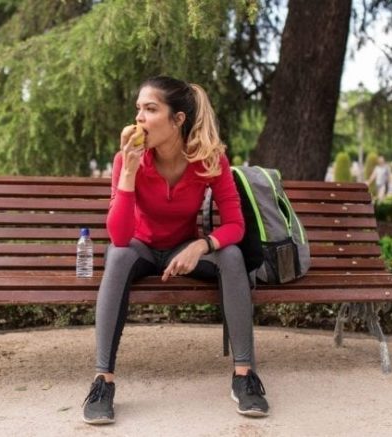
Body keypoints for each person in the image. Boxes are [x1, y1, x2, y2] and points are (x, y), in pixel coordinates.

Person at [82, 76, 268, 425]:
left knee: (231, 254)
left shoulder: (210, 160)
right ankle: (102, 382)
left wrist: (201, 245)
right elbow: (119, 237)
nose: (139, 118)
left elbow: (235, 225)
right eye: (138, 109)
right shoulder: (127, 160)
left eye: (151, 109)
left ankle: (245, 376)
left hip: (184, 247)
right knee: (118, 256)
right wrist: (128, 172)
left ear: (178, 119)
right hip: (140, 248)